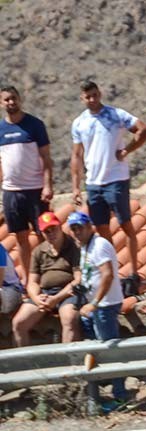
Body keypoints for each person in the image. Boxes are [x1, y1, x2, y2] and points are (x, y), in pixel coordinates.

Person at [71, 80, 146, 297]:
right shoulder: (79, 123)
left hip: (116, 178)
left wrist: (127, 150)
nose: (92, 99)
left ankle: (134, 272)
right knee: (102, 231)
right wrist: (76, 187)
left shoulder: (116, 115)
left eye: (95, 95)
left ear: (100, 94)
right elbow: (77, 155)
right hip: (94, 182)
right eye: (88, 96)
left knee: (126, 226)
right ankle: (112, 273)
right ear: (82, 98)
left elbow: (144, 130)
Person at [68, 210, 128, 412]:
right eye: (73, 229)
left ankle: (120, 396)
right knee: (101, 349)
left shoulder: (99, 244)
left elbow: (108, 275)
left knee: (109, 351)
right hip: (97, 305)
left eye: (79, 228)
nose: (76, 232)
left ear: (89, 227)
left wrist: (93, 303)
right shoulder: (85, 246)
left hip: (105, 305)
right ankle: (107, 391)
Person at [0, 86, 53, 285]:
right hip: (11, 192)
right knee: (20, 237)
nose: (11, 102)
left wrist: (47, 185)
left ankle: (48, 277)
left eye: (14, 98)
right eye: (6, 100)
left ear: (20, 99)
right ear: (1, 103)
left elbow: (46, 158)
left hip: (35, 190)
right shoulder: (0, 129)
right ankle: (30, 281)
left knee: (43, 235)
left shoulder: (35, 125)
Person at [11, 212, 82, 346]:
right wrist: (37, 298)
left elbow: (77, 280)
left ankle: (70, 360)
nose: (51, 234)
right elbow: (32, 281)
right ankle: (25, 362)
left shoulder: (73, 247)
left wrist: (56, 299)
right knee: (19, 323)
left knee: (70, 319)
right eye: (46, 231)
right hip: (45, 293)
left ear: (60, 227)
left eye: (53, 229)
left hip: (68, 292)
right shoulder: (39, 251)